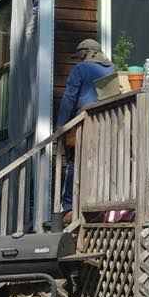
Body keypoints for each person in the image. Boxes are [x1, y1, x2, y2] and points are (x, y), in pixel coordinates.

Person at [56, 38, 115, 214]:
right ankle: (102, 203)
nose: (80, 59)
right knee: (103, 163)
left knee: (76, 162)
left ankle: (69, 205)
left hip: (84, 122)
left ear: (86, 53)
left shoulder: (80, 69)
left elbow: (69, 99)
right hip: (109, 123)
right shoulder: (112, 70)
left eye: (81, 55)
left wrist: (61, 126)